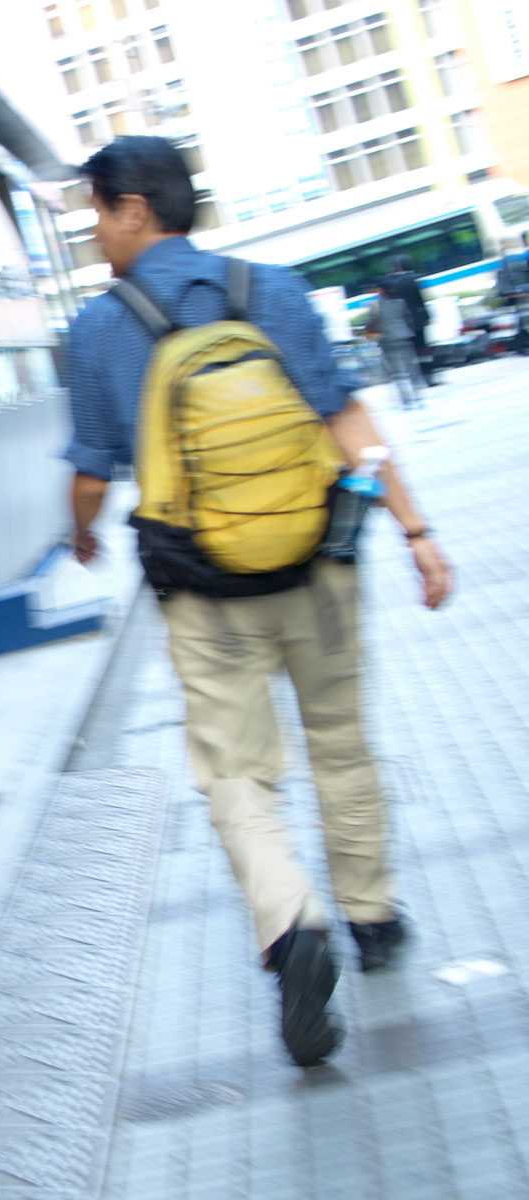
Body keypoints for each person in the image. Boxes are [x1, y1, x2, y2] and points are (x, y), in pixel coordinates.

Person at [64, 137, 453, 1067]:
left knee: (236, 771)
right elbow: (348, 421)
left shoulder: (99, 330)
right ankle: (371, 916)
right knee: (341, 742)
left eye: (97, 215)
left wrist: (81, 533)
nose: (94, 234)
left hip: (204, 593)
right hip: (318, 565)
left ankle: (292, 924)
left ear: (134, 211)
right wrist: (415, 530)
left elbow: (90, 475)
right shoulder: (272, 290)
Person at [369, 278, 424, 409]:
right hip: (405, 337)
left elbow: (371, 322)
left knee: (397, 373)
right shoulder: (401, 303)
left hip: (388, 341)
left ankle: (406, 401)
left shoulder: (375, 305)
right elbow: (408, 320)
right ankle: (418, 397)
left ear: (380, 290)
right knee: (412, 368)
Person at [384, 254, 436, 384]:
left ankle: (415, 379)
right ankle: (428, 376)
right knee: (422, 348)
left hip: (401, 323)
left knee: (408, 351)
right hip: (418, 320)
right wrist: (427, 316)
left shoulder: (389, 284)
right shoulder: (411, 280)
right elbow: (420, 301)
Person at [494, 234, 529, 355]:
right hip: (522, 293)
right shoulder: (517, 257)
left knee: (524, 320)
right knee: (525, 319)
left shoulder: (508, 258)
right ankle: (522, 344)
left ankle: (522, 345)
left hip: (520, 294)